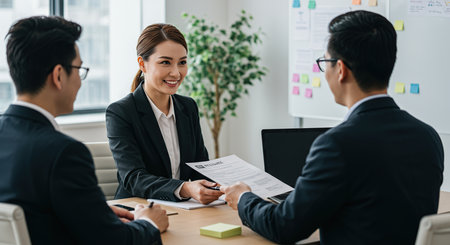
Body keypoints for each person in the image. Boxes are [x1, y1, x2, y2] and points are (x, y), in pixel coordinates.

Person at [220, 10, 444, 245]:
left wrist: (244, 197)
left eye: (324, 62)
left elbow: (284, 226)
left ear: (340, 70)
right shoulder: (427, 136)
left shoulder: (338, 145)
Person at [0, 16, 168, 244]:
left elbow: (37, 212)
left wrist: (98, 214)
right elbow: (112, 241)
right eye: (79, 69)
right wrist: (149, 223)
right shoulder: (63, 153)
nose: (80, 81)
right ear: (58, 76)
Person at [106, 23, 222, 204]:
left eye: (182, 62)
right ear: (142, 64)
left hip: (182, 209)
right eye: (165, 62)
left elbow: (200, 166)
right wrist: (184, 188)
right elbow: (133, 178)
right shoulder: (121, 112)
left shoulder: (188, 107)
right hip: (138, 209)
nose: (176, 73)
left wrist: (226, 183)